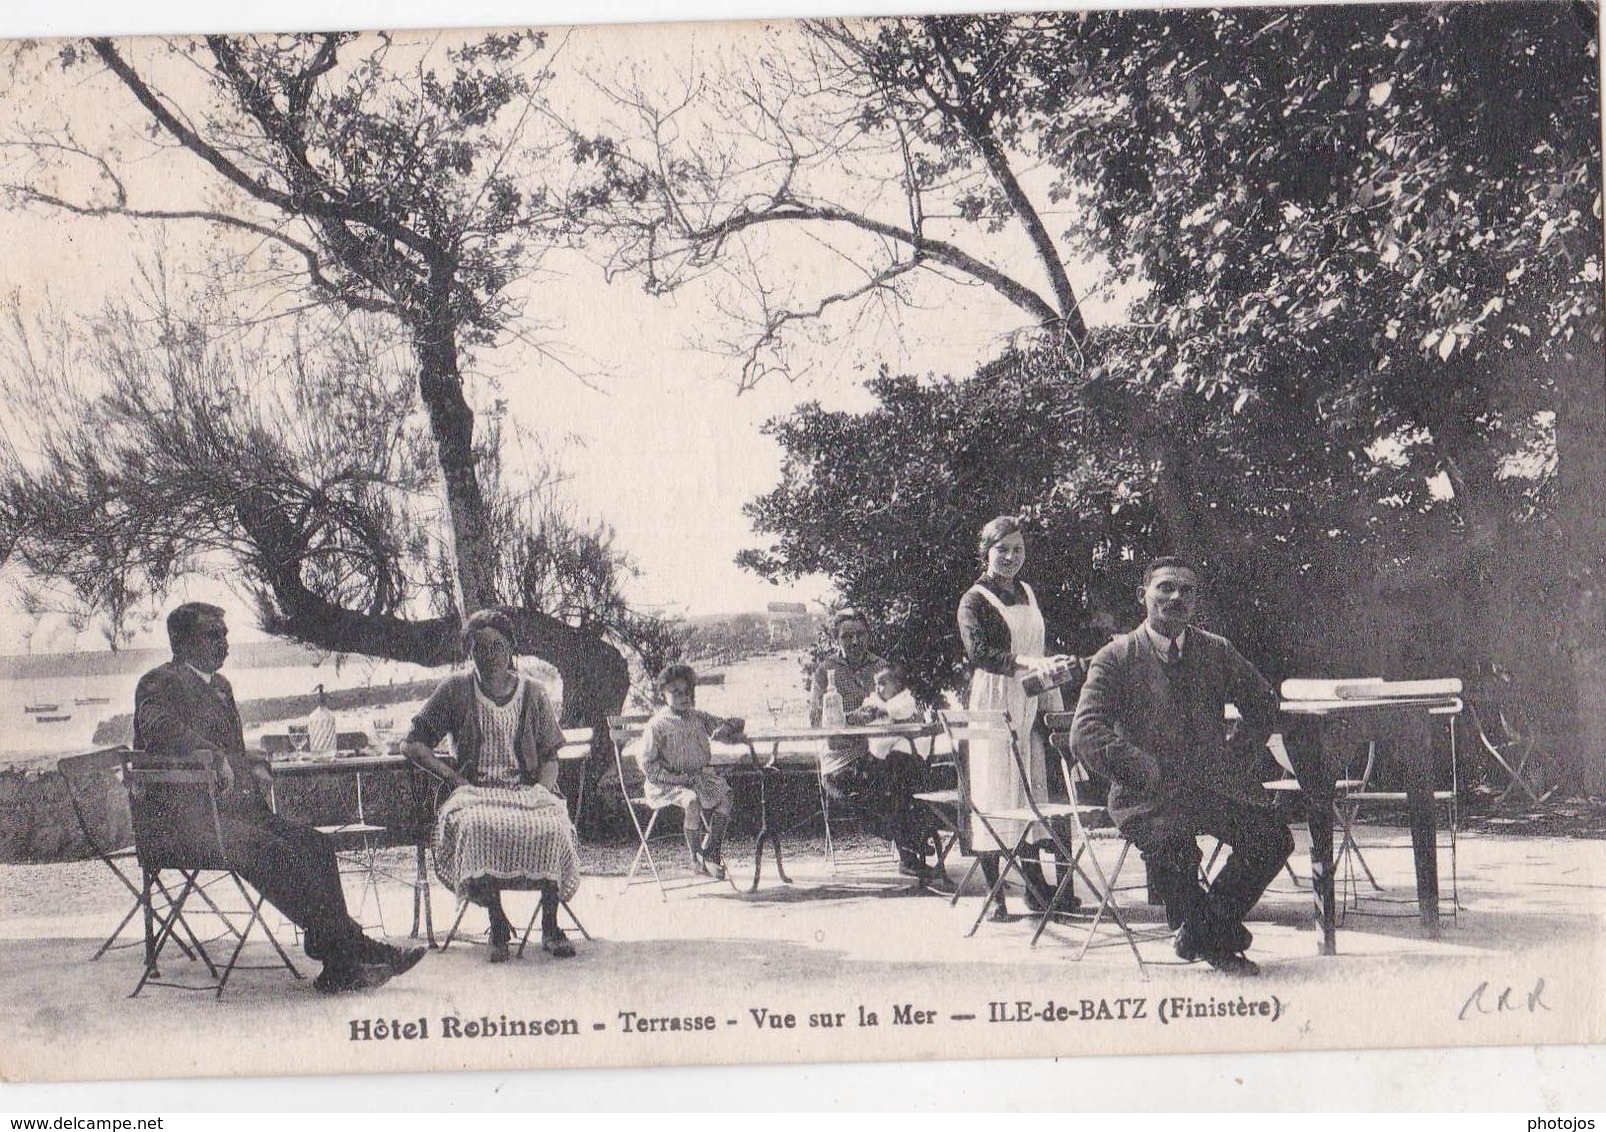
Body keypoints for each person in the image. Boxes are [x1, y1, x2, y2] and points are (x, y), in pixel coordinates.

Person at [133, 603, 426, 995]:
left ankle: (340, 956)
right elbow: (158, 727)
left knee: (317, 845)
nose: (223, 643)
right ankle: (350, 950)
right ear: (181, 641)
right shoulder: (158, 682)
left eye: (224, 634)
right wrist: (211, 753)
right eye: (211, 635)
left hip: (234, 811)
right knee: (275, 851)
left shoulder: (220, 686)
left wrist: (246, 758)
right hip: (184, 824)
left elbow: (228, 745)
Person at [1070, 556, 1292, 977]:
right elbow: (1085, 733)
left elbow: (1263, 705)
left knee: (1272, 837)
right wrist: (1143, 767)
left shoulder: (1215, 650)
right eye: (1166, 588)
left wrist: (1236, 755)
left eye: (1187, 591)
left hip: (1210, 786)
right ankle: (1218, 937)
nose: (1176, 597)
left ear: (1195, 601)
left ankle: (1200, 930)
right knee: (1174, 849)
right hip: (1146, 794)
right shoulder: (1115, 657)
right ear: (1143, 596)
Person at [401, 610, 582, 964]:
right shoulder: (454, 690)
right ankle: (497, 923)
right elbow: (412, 743)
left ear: (511, 647)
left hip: (526, 789)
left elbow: (550, 755)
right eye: (480, 649)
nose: (491, 656)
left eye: (498, 646)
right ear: (469, 652)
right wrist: (453, 778)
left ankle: (550, 924)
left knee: (552, 825)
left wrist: (542, 792)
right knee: (476, 827)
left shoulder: (532, 692)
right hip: (476, 792)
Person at [958, 515, 1082, 920]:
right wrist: (1026, 662)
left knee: (1031, 784)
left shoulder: (1027, 591)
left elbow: (1036, 644)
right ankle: (995, 892)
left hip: (1032, 694)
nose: (1011, 557)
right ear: (986, 552)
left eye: (1018, 549)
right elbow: (979, 655)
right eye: (1002, 550)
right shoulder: (974, 599)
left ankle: (1035, 885)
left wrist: (1049, 667)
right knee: (996, 789)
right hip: (995, 697)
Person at [808, 611, 939, 882]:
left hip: (881, 753)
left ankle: (912, 844)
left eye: (860, 635)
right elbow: (816, 723)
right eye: (846, 636)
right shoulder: (825, 672)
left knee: (915, 768)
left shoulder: (881, 667)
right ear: (835, 639)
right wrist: (856, 718)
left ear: (868, 635)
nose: (854, 641)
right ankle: (911, 844)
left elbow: (903, 705)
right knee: (893, 779)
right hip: (842, 760)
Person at [639, 663, 744, 880]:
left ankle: (712, 851)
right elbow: (648, 764)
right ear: (662, 695)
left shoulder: (697, 717)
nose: (683, 698)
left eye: (687, 692)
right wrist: (673, 778)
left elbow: (734, 722)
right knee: (692, 801)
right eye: (676, 693)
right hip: (666, 783)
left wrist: (727, 728)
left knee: (726, 795)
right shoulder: (657, 725)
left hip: (697, 778)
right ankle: (696, 857)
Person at [848, 662, 921, 760]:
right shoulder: (874, 699)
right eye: (876, 684)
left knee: (902, 751)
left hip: (897, 745)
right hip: (876, 749)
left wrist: (887, 711)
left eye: (882, 683)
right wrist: (866, 711)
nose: (877, 688)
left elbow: (908, 708)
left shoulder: (903, 698)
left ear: (897, 685)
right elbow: (864, 710)